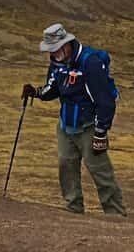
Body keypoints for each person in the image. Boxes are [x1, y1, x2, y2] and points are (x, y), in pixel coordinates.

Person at [22, 23, 126, 216]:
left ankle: (115, 214)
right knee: (66, 166)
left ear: (66, 45)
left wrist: (101, 132)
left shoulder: (90, 63)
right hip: (66, 125)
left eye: (55, 49)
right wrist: (36, 92)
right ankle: (73, 210)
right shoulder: (57, 63)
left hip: (89, 127)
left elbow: (105, 101)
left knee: (100, 170)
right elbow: (53, 88)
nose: (53, 54)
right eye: (50, 50)